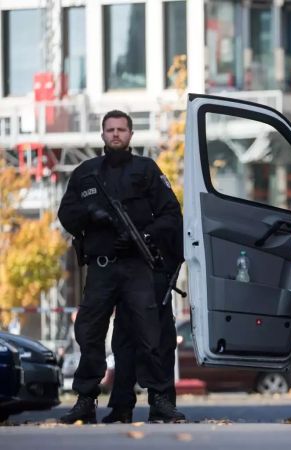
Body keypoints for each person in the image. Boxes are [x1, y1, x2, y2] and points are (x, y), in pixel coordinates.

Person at [57, 110, 186, 424]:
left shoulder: (146, 170)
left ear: (130, 135)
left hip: (137, 268)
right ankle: (85, 401)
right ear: (102, 135)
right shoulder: (85, 173)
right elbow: (67, 214)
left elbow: (171, 215)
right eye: (110, 129)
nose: (115, 134)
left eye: (121, 129)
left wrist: (142, 236)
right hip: (101, 269)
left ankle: (160, 400)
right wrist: (91, 214)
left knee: (150, 334)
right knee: (89, 333)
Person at [102, 218, 183, 423]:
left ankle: (161, 402)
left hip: (153, 271)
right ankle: (122, 406)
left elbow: (172, 220)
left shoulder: (153, 187)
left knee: (159, 341)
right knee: (123, 344)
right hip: (126, 271)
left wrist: (165, 266)